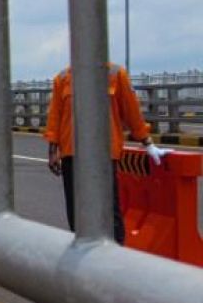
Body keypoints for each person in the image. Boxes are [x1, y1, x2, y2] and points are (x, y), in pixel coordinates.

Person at [44, 62, 168, 243]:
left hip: (103, 153)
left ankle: (114, 256)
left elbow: (131, 110)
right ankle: (80, 256)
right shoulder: (63, 78)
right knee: (76, 211)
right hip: (72, 152)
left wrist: (147, 142)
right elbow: (56, 115)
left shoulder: (115, 74)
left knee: (108, 211)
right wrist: (52, 150)